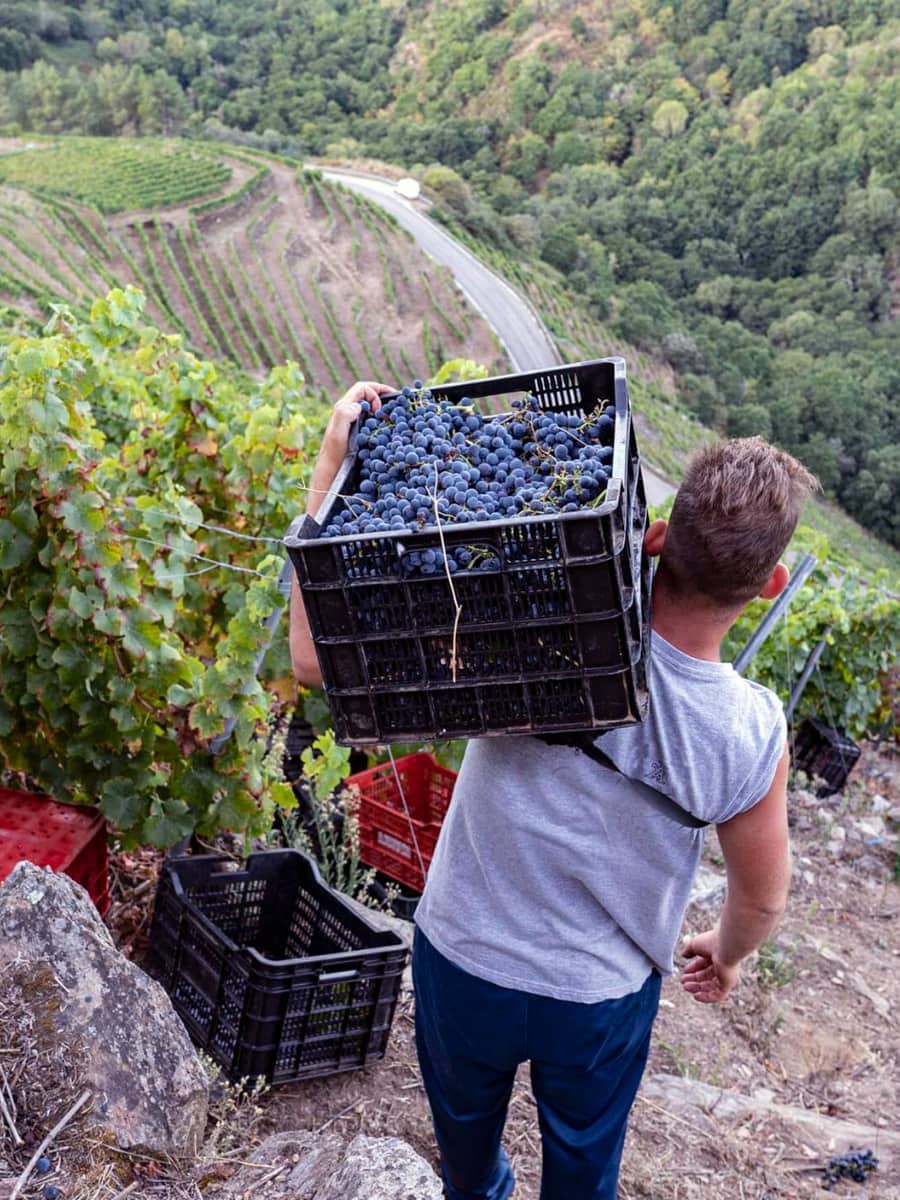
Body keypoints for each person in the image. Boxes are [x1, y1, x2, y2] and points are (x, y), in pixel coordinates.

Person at [290, 380, 819, 1200]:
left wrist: (333, 460)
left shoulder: (531, 619)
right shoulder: (751, 732)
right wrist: (728, 952)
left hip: (464, 952)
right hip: (597, 996)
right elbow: (764, 896)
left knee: (464, 1152)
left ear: (651, 537)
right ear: (773, 583)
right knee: (582, 1172)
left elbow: (312, 659)